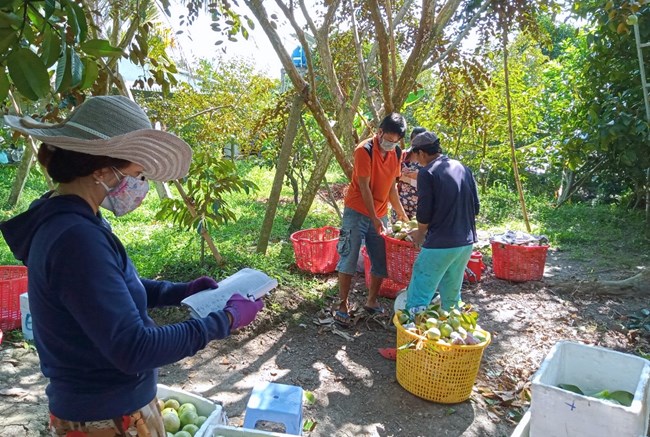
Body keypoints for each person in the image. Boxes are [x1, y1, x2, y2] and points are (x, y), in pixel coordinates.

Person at [0, 95, 264, 437]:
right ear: (101, 171)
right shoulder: (75, 240)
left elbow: (110, 290)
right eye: (137, 175)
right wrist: (222, 321)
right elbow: (134, 348)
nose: (140, 187)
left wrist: (178, 292)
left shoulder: (71, 218)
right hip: (105, 417)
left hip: (107, 407)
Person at [334, 113, 409, 326]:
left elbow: (392, 188)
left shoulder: (395, 152)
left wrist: (401, 214)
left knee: (381, 258)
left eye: (395, 141)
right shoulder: (364, 151)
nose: (390, 144)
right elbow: (365, 187)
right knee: (348, 256)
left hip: (380, 213)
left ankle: (371, 300)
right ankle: (342, 304)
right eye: (388, 139)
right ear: (379, 132)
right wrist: (374, 217)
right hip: (357, 210)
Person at [405, 131, 480, 313]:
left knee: (419, 294)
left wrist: (420, 233)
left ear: (422, 153)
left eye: (416, 155)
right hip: (465, 243)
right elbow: (475, 207)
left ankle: (412, 333)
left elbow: (424, 211)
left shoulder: (427, 172)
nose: (416, 160)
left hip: (440, 244)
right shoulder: (463, 168)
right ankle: (453, 333)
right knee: (452, 298)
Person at [391, 126, 426, 222]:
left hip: (420, 205)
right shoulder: (403, 155)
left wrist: (415, 178)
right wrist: (401, 176)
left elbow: (430, 183)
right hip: (401, 202)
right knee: (398, 232)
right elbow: (393, 178)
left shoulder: (428, 159)